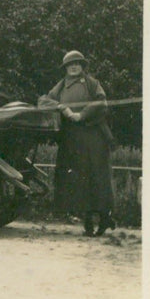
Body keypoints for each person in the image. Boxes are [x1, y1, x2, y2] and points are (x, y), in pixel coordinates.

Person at [39, 50, 115, 236]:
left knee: (97, 178)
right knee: (79, 181)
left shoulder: (91, 83)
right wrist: (60, 107)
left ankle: (104, 218)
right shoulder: (61, 85)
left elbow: (101, 102)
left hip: (94, 137)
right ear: (65, 68)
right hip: (72, 140)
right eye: (70, 65)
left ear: (82, 66)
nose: (73, 67)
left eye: (77, 64)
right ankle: (87, 223)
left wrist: (81, 115)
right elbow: (43, 101)